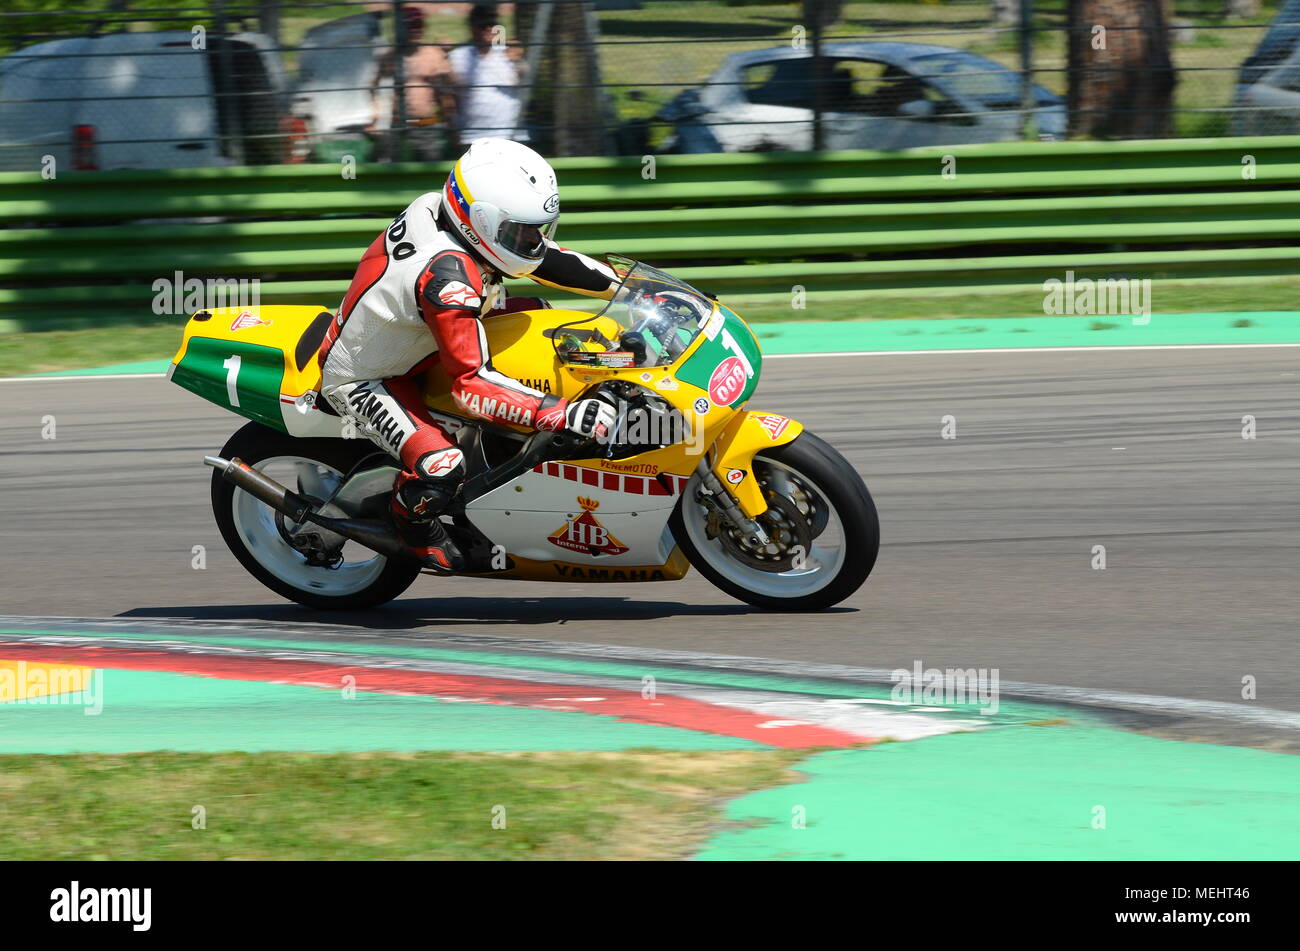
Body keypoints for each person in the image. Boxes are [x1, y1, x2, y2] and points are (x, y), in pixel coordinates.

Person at [317, 137, 620, 572]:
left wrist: (629, 287)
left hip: (423, 338)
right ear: (479, 220)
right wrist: (562, 414)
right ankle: (412, 525)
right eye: (522, 231)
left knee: (552, 324)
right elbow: (471, 386)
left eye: (537, 228)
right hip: (369, 376)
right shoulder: (448, 279)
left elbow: (549, 260)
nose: (534, 240)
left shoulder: (448, 213)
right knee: (442, 465)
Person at [371, 5, 457, 161]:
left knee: (431, 164)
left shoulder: (433, 54)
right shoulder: (391, 56)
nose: (416, 30)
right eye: (411, 26)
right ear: (402, 28)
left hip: (427, 124)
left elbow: (450, 87)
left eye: (419, 25)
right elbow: (373, 86)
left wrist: (448, 56)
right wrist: (375, 114)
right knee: (389, 164)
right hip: (399, 124)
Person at [447, 3, 528, 145]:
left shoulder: (509, 52)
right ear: (472, 29)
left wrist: (518, 61)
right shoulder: (458, 57)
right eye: (483, 25)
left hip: (509, 136)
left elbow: (525, 78)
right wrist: (454, 129)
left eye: (492, 24)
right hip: (472, 137)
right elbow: (449, 97)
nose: (489, 29)